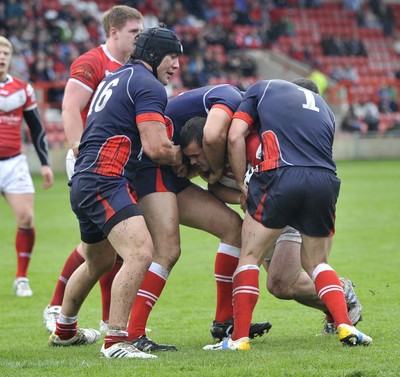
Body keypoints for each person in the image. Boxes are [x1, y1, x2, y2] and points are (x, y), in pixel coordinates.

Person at [204, 78, 372, 351]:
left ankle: (238, 339)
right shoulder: (325, 110)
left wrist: (241, 185)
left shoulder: (263, 89)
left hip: (280, 178)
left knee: (249, 257)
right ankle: (346, 326)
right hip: (325, 181)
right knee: (316, 263)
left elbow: (234, 135)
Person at [48, 26, 183, 359]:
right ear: (153, 56)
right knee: (140, 252)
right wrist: (188, 158)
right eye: (172, 57)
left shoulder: (117, 77)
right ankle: (116, 341)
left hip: (84, 179)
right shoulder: (148, 84)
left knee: (98, 261)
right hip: (105, 179)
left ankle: (65, 330)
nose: (177, 65)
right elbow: (155, 147)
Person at [126, 84, 272, 351]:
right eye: (172, 57)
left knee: (232, 228)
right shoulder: (230, 96)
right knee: (166, 250)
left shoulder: (225, 110)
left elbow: (205, 168)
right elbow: (212, 137)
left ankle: (223, 321)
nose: (176, 64)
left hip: (164, 169)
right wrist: (216, 171)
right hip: (150, 169)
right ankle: (132, 333)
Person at [43, 5, 144, 333]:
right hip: (93, 164)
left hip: (119, 164)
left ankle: (93, 319)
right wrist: (78, 150)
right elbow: (70, 106)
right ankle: (59, 307)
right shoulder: (92, 62)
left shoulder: (131, 68)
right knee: (103, 246)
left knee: (106, 248)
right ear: (113, 32)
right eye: (134, 33)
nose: (138, 39)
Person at [0, 35, 54, 297]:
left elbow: (36, 127)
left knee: (26, 218)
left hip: (13, 163)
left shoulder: (23, 88)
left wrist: (45, 163)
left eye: (5, 52)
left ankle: (21, 277)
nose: (1, 56)